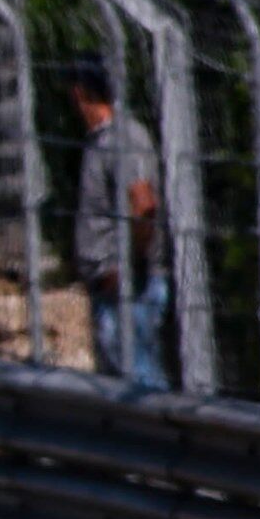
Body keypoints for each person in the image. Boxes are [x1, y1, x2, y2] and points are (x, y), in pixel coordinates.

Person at [68, 56, 167, 387]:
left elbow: (144, 205)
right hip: (110, 289)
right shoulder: (101, 141)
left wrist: (125, 267)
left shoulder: (123, 140)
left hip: (129, 289)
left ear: (80, 94)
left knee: (141, 382)